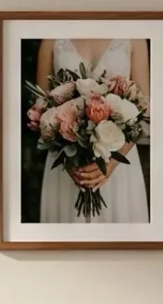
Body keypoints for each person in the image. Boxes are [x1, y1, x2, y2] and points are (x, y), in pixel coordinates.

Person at [35, 36, 150, 224]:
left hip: (119, 162)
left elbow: (144, 111)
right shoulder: (51, 40)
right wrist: (70, 162)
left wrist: (111, 164)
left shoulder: (134, 38)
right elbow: (40, 110)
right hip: (67, 163)